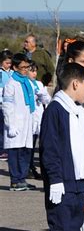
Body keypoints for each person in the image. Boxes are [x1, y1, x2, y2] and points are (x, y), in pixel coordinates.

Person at [39, 63, 84, 231]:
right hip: (62, 183)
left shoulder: (80, 111)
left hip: (78, 183)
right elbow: (49, 149)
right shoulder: (56, 110)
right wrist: (54, 179)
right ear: (74, 84)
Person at [3, 53, 36, 191]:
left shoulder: (27, 82)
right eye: (22, 67)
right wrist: (10, 124)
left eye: (27, 67)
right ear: (15, 68)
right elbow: (7, 105)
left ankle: (22, 179)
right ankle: (15, 180)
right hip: (16, 124)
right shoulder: (11, 84)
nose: (25, 70)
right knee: (15, 153)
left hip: (27, 124)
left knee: (26, 152)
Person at [28, 60, 52, 180]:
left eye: (35, 71)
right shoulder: (25, 83)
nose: (34, 73)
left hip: (39, 117)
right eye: (31, 71)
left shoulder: (39, 84)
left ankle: (32, 167)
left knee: (35, 144)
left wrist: (43, 95)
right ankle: (28, 167)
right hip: (30, 118)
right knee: (29, 145)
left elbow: (47, 100)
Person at [0, 50, 13, 161]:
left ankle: (7, 149)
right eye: (6, 63)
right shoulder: (0, 73)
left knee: (7, 126)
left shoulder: (12, 73)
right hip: (1, 103)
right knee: (1, 128)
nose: (9, 65)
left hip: (11, 104)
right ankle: (2, 150)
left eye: (10, 63)